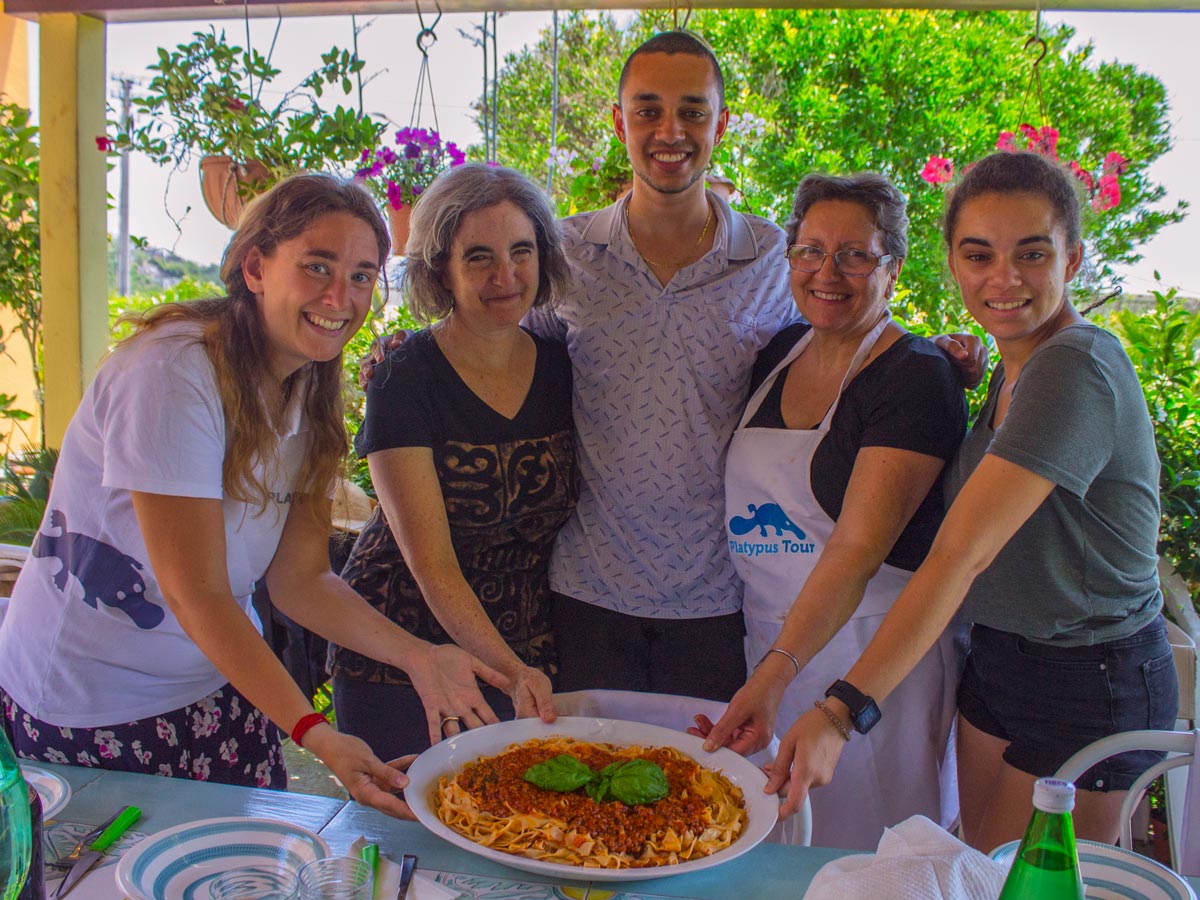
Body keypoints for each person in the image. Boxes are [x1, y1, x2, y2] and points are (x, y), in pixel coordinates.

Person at [361, 32, 984, 701]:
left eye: (692, 111)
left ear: (719, 122)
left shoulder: (775, 259)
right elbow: (486, 335)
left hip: (720, 602)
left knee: (706, 799)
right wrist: (404, 352)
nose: (670, 130)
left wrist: (935, 352)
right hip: (582, 595)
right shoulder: (563, 253)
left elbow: (842, 324)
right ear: (619, 120)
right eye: (649, 109)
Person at [0, 174, 506, 818]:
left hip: (213, 685)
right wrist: (316, 733)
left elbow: (300, 580)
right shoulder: (172, 372)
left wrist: (419, 656)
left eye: (360, 275)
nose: (339, 296)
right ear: (256, 267)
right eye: (317, 266)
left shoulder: (309, 389)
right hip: (90, 702)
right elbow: (198, 593)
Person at [752, 150, 1178, 850]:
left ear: (1073, 260)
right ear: (952, 262)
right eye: (979, 255)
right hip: (999, 660)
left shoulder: (1076, 367)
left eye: (1031, 254)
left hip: (1089, 674)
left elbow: (959, 555)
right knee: (977, 873)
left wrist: (839, 713)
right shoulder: (1011, 373)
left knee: (1034, 890)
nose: (1002, 278)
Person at [694, 173, 967, 850]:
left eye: (855, 254)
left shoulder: (917, 376)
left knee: (873, 858)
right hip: (773, 652)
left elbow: (853, 552)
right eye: (810, 251)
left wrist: (773, 676)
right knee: (783, 852)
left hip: (870, 668)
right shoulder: (775, 359)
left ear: (893, 269)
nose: (828, 272)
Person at [327, 164, 578, 758]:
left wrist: (522, 669)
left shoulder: (563, 366)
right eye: (479, 257)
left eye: (521, 251)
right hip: (405, 662)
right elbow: (431, 564)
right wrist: (511, 671)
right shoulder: (404, 376)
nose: (505, 276)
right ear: (440, 266)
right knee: (406, 841)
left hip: (526, 655)